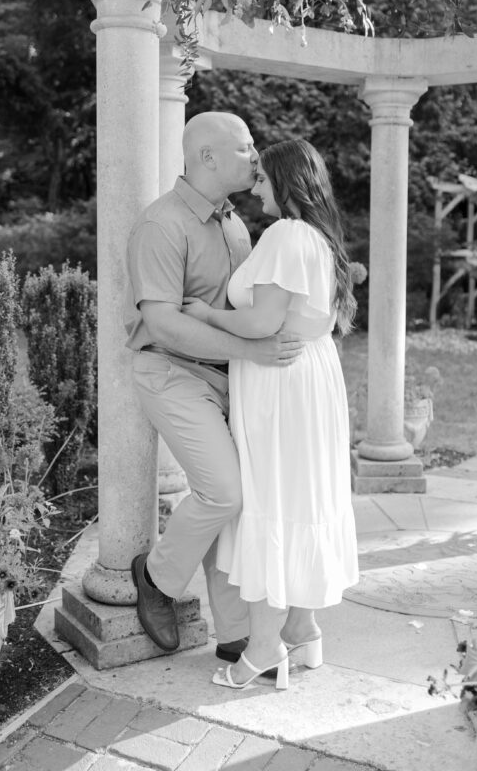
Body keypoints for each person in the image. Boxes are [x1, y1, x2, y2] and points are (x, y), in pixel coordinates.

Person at [124, 112, 304, 664]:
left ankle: (233, 633)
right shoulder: (161, 225)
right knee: (224, 492)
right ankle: (156, 577)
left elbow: (244, 310)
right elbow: (163, 324)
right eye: (246, 147)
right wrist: (253, 352)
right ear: (207, 156)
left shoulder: (235, 224)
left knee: (242, 503)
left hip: (230, 376)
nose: (256, 157)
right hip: (171, 371)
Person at [183, 139, 360, 690]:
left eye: (262, 179)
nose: (254, 189)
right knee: (300, 496)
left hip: (283, 383)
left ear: (285, 181)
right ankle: (303, 630)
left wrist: (206, 314)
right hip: (311, 377)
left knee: (273, 500)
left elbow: (262, 323)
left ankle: (262, 649)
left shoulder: (286, 234)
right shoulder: (321, 238)